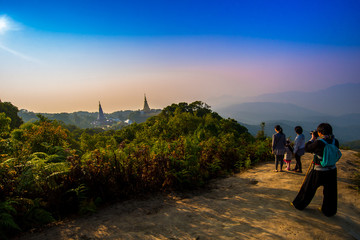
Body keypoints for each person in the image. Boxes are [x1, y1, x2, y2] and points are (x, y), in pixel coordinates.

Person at [292, 123, 340, 217]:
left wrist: (312, 138)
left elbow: (307, 148)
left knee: (308, 188)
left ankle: (299, 204)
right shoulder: (335, 141)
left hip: (318, 170)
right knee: (330, 193)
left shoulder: (319, 143)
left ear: (320, 132)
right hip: (332, 170)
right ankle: (328, 211)